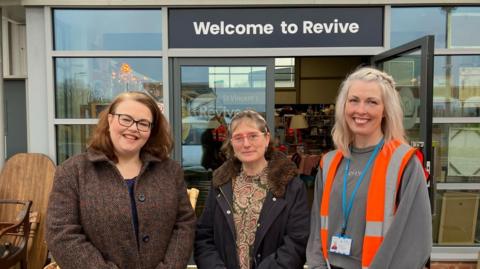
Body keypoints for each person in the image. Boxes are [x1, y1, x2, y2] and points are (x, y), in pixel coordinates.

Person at [46, 91, 196, 269]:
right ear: (110, 120)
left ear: (151, 130)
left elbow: (184, 224)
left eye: (143, 123)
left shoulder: (170, 171)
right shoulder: (73, 171)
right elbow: (61, 232)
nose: (133, 128)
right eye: (125, 119)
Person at [306, 67, 432, 269]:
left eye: (372, 102)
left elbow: (415, 242)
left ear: (385, 111)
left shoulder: (404, 163)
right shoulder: (329, 163)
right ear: (343, 106)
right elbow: (316, 229)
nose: (361, 110)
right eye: (354, 100)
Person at [194, 109, 310, 269]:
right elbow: (204, 238)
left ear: (267, 138)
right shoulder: (220, 184)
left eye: (253, 136)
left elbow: (297, 242)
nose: (246, 144)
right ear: (232, 143)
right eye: (238, 138)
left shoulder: (291, 185)